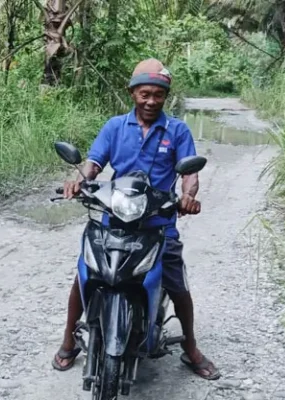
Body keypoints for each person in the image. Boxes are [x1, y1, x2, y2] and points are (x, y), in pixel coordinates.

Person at [50, 58, 220, 380]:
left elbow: (190, 172)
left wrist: (188, 195)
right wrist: (80, 181)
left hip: (158, 222)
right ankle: (69, 340)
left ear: (165, 96)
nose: (151, 101)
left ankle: (191, 347)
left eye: (158, 95)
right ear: (133, 93)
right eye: (145, 94)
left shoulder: (177, 130)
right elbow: (94, 162)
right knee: (85, 275)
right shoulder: (115, 127)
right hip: (114, 218)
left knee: (176, 283)